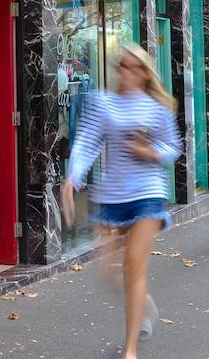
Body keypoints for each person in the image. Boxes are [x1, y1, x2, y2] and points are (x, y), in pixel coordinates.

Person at [61, 44, 182, 359]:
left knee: (133, 267)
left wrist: (151, 152)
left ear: (143, 72)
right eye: (120, 66)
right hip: (111, 196)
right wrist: (72, 178)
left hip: (147, 194)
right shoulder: (103, 103)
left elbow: (172, 148)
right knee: (107, 272)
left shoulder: (156, 108)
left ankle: (129, 350)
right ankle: (144, 302)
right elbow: (86, 142)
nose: (123, 72)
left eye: (131, 66)